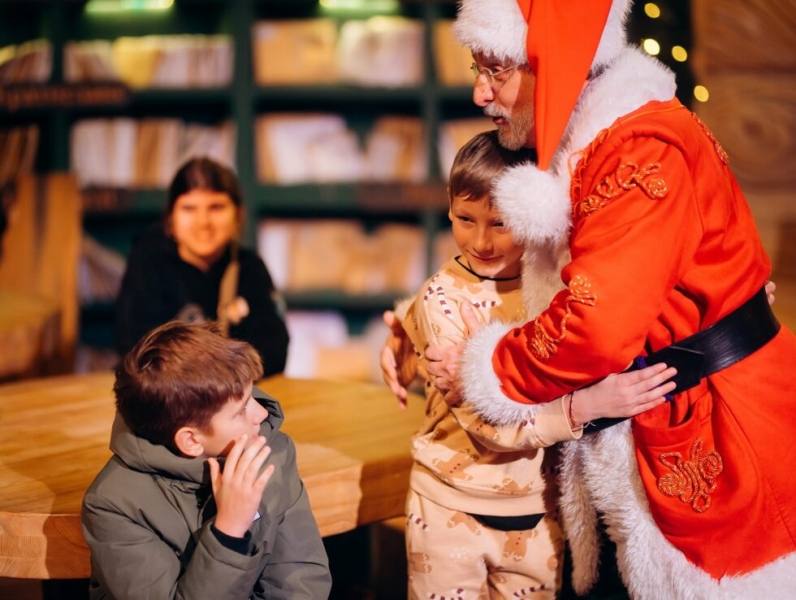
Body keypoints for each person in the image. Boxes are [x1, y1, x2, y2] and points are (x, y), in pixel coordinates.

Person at [383, 0, 796, 597]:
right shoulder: (584, 138)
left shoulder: (637, 149)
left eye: (496, 71)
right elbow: (508, 260)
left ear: (554, 61)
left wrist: (485, 369)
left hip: (714, 426)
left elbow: (595, 324)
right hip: (653, 415)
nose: (480, 92)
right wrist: (417, 322)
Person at [399, 130, 676, 599]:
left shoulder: (556, 289)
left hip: (540, 513)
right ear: (448, 208)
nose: (480, 241)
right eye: (464, 219)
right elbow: (486, 423)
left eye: (500, 223)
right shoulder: (441, 299)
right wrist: (583, 407)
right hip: (449, 509)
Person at [81, 319, 331, 599]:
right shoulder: (113, 505)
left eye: (252, 395)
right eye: (241, 410)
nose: (261, 414)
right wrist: (228, 532)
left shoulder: (270, 451)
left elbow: (302, 579)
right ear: (191, 441)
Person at [115, 156, 289, 376]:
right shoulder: (148, 262)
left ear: (238, 215)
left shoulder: (250, 268)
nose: (203, 222)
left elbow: (274, 350)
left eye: (216, 207)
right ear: (171, 219)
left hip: (231, 396)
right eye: (189, 208)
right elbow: (135, 346)